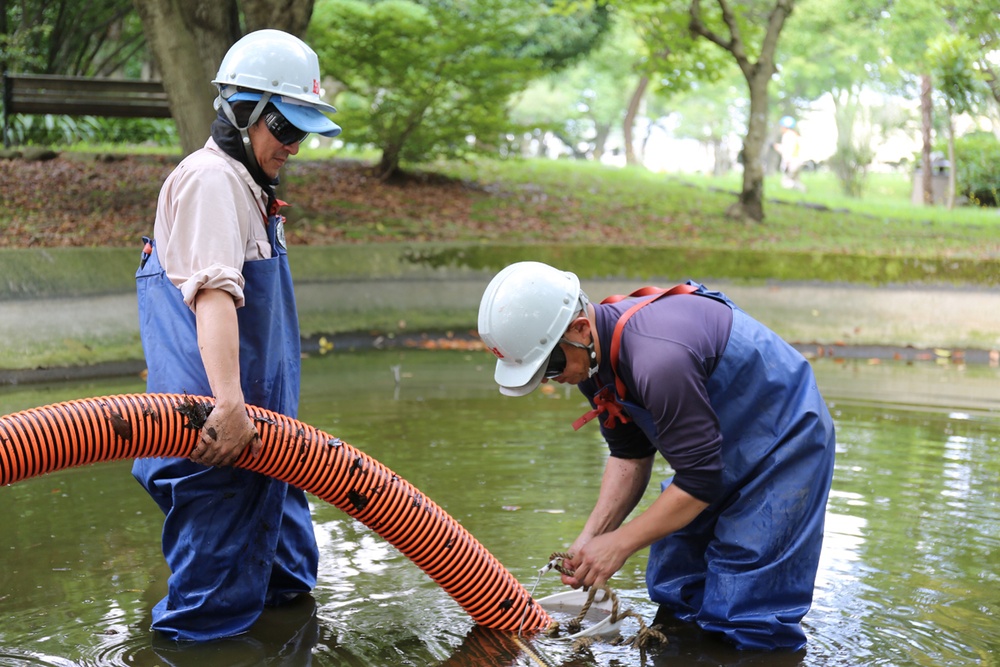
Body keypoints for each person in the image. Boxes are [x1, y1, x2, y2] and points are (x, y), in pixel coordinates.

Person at [477, 261, 836, 652]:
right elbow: (630, 454)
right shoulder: (592, 361)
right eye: (541, 373)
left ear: (579, 329)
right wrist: (591, 539)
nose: (553, 378)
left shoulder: (657, 358)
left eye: (552, 365)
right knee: (676, 583)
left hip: (786, 446)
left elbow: (700, 481)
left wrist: (618, 545)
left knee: (747, 613)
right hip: (714, 454)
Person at [132, 29, 342, 642]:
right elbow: (215, 296)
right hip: (218, 443)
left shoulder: (250, 190)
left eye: (303, 133)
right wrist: (227, 404)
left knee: (289, 585)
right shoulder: (212, 181)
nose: (294, 147)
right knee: (208, 620)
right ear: (242, 113)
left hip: (270, 444)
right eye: (285, 128)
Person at [775, 115, 806, 192]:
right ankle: (803, 191)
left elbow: (787, 150)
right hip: (798, 161)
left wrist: (787, 161)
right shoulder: (795, 135)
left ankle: (799, 190)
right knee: (795, 179)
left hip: (791, 161)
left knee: (786, 182)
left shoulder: (787, 135)